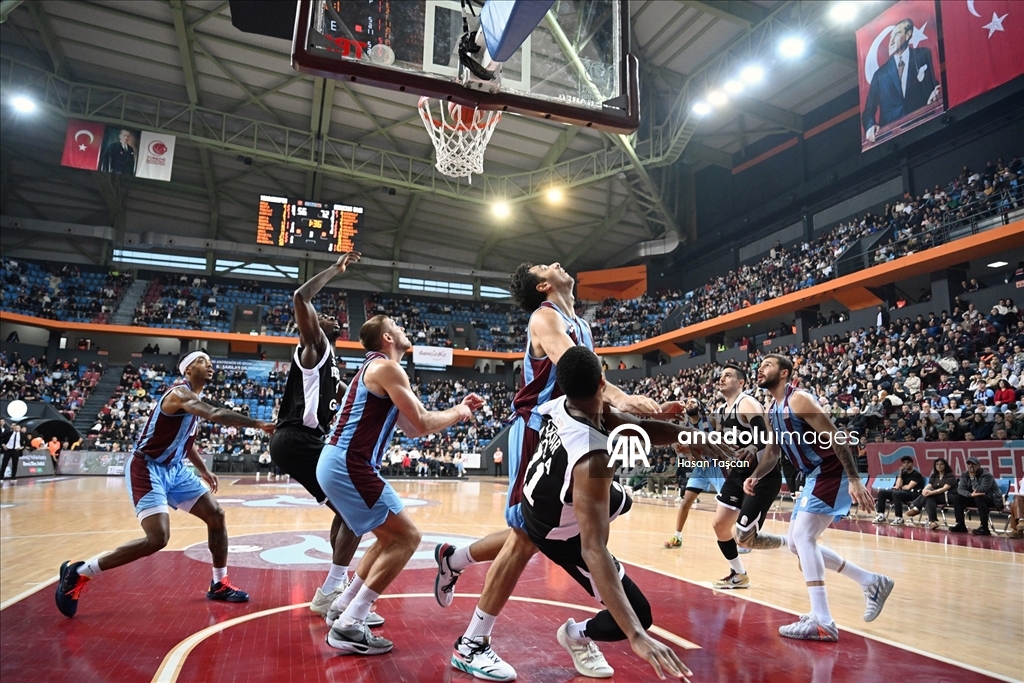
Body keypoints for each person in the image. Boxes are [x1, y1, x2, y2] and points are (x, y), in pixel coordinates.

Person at [435, 261, 663, 682]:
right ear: (543, 285)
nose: (557, 263)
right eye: (546, 266)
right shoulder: (545, 317)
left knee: (537, 530)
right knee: (527, 535)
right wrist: (622, 397)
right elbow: (567, 362)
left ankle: (454, 558)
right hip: (542, 435)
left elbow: (588, 386)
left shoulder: (581, 323)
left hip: (571, 433)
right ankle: (472, 643)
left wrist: (641, 417)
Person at [520, 346, 720, 680]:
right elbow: (592, 548)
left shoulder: (564, 404)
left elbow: (639, 426)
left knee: (620, 498)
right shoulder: (592, 459)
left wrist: (691, 435)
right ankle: (575, 636)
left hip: (540, 496)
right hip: (558, 534)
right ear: (603, 381)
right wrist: (637, 636)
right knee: (639, 614)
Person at [55, 351, 276, 618]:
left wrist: (204, 470)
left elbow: (187, 442)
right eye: (201, 361)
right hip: (147, 467)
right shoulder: (179, 395)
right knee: (158, 538)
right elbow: (215, 413)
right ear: (187, 370)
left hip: (176, 469)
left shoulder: (194, 400)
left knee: (216, 514)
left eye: (209, 361)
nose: (209, 365)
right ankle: (79, 572)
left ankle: (219, 583)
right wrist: (256, 423)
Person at [318, 315, 484, 655]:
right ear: (387, 337)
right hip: (348, 463)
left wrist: (457, 410)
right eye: (398, 326)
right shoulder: (387, 368)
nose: (406, 329)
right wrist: (459, 411)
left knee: (388, 538)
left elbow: (410, 428)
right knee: (408, 538)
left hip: (342, 462)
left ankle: (342, 608)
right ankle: (349, 625)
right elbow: (422, 423)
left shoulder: (381, 371)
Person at [748, 354, 894, 641]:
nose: (760, 369)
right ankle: (871, 582)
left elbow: (838, 437)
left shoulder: (799, 400)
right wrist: (756, 474)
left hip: (830, 470)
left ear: (785, 373)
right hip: (814, 475)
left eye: (767, 365)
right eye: (760, 365)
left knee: (802, 537)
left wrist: (854, 478)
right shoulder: (771, 410)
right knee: (796, 543)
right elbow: (774, 452)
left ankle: (823, 621)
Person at [267, 252, 378, 621]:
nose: (329, 315)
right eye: (324, 315)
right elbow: (302, 298)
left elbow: (353, 398)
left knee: (347, 510)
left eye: (332, 318)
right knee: (357, 511)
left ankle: (337, 585)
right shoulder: (313, 347)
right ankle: (331, 591)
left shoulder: (332, 365)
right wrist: (335, 269)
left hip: (299, 441)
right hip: (298, 438)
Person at [708, 364, 786, 590]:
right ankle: (739, 574)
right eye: (720, 375)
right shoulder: (723, 410)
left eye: (728, 375)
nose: (722, 379)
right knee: (720, 525)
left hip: (762, 473)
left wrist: (752, 447)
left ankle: (792, 543)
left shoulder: (747, 403)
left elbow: (766, 436)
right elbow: (726, 446)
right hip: (739, 472)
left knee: (744, 538)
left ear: (741, 382)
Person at [861, 18, 940, 143]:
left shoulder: (922, 55)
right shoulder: (880, 75)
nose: (891, 41)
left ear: (908, 35)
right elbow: (868, 111)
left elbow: (931, 85)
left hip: (923, 127)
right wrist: (870, 126)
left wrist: (937, 90)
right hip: (892, 138)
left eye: (897, 34)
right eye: (890, 36)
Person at [664, 399, 720, 549]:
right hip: (701, 467)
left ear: (700, 406)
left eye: (693, 402)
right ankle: (678, 536)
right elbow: (692, 455)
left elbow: (713, 444)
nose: (689, 404)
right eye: (687, 402)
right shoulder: (686, 428)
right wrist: (685, 452)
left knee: (728, 504)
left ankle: (743, 535)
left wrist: (689, 450)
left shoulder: (711, 420)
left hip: (717, 465)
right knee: (685, 502)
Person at [947, 457, 1002, 535]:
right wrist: (970, 494)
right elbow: (960, 489)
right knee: (957, 498)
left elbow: (980, 490)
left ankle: (984, 527)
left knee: (979, 498)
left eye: (973, 464)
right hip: (974, 497)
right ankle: (960, 525)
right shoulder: (965, 474)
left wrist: (972, 478)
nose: (971, 466)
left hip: (991, 499)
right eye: (969, 464)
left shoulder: (986, 475)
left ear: (979, 465)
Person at [872, 455, 925, 525]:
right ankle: (881, 515)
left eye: (908, 462)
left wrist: (901, 487)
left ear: (912, 464)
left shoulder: (916, 474)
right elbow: (898, 486)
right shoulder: (903, 474)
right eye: (904, 463)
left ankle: (899, 518)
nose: (906, 464)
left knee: (896, 493)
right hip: (902, 493)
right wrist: (900, 472)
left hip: (914, 494)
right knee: (882, 493)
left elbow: (909, 487)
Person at [905, 457, 956, 529]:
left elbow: (945, 488)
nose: (939, 466)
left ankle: (916, 508)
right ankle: (932, 522)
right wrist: (924, 490)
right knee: (929, 499)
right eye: (937, 464)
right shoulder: (934, 475)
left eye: (941, 464)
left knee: (929, 496)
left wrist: (931, 492)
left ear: (945, 466)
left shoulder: (950, 476)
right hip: (936, 496)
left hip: (948, 496)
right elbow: (930, 485)